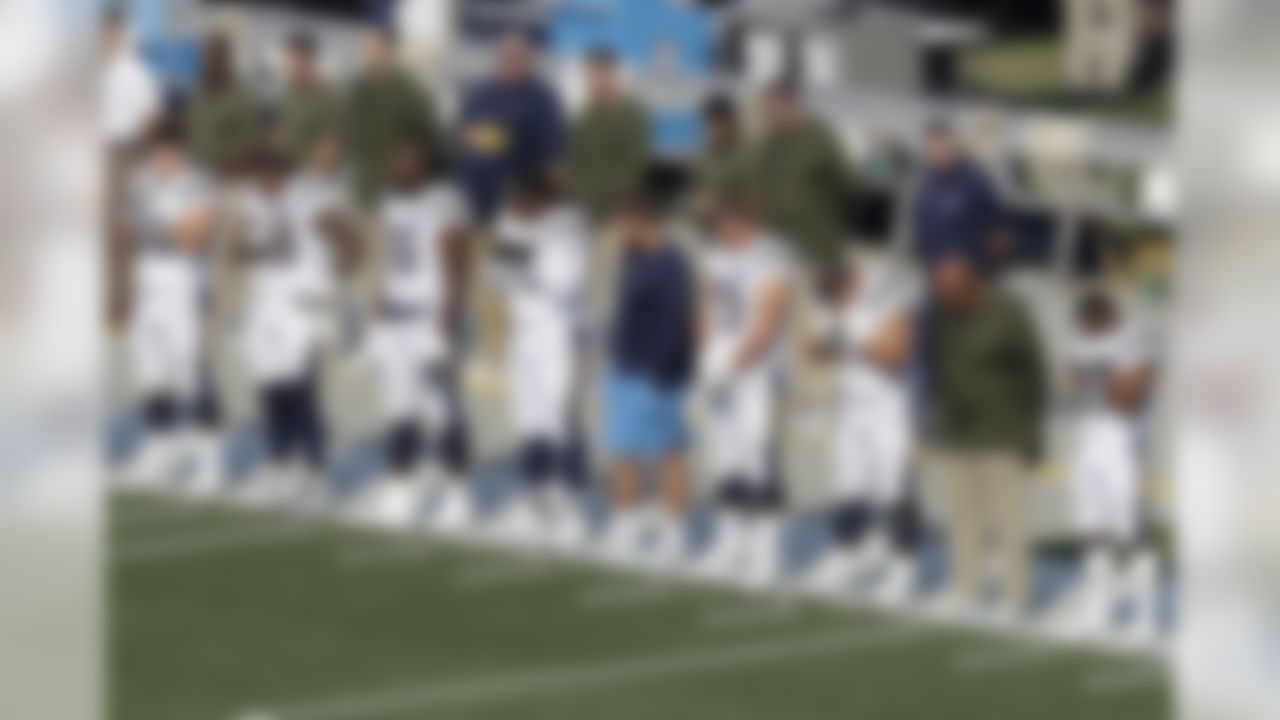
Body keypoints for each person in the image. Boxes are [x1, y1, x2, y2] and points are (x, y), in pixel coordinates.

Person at [358, 141, 475, 529]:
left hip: (430, 316)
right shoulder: (393, 202)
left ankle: (458, 491)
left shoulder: (446, 201)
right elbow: (391, 260)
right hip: (397, 315)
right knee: (398, 404)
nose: (393, 164)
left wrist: (447, 326)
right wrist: (377, 312)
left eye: (402, 158)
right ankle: (402, 484)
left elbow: (458, 267)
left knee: (441, 407)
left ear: (423, 165)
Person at [929, 255, 1048, 619]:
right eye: (941, 293)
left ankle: (1016, 595)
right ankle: (968, 587)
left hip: (1004, 432)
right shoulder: (945, 314)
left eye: (951, 292)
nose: (945, 300)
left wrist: (1033, 428)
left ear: (971, 281)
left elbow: (1035, 371)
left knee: (1009, 519)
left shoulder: (1009, 314)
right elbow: (941, 364)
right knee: (963, 515)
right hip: (961, 432)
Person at [805, 259, 922, 604]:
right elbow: (814, 353)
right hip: (852, 404)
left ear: (849, 284)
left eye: (836, 298)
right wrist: (829, 338)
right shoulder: (833, 303)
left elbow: (895, 357)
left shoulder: (888, 296)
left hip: (891, 407)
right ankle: (844, 555)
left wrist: (856, 339)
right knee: (848, 483)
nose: (833, 305)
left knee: (895, 489)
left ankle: (904, 568)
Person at [697, 195, 796, 587]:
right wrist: (706, 352)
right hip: (722, 364)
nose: (721, 235)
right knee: (726, 457)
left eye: (726, 228)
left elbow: (770, 317)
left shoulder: (771, 257)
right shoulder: (717, 254)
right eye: (718, 229)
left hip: (759, 372)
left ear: (746, 224)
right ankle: (730, 540)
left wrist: (735, 363)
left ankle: (769, 549)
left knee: (759, 458)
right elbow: (705, 303)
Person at [489, 171, 591, 548]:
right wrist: (520, 271)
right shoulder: (511, 222)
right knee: (529, 419)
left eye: (517, 198)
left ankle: (574, 506)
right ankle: (535, 496)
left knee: (560, 418)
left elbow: (561, 280)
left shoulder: (567, 227)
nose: (510, 207)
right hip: (525, 330)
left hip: (559, 334)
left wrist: (519, 269)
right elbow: (498, 275)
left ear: (535, 198)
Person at [117, 121, 219, 493]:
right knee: (150, 373)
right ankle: (158, 448)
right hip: (149, 285)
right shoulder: (141, 181)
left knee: (193, 375)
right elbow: (124, 231)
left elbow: (195, 238)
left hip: (184, 288)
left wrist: (158, 228)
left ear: (179, 151)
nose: (157, 160)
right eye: (153, 153)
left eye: (164, 153)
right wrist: (167, 228)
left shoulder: (198, 182)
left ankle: (210, 459)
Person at [1055, 290, 1161, 639]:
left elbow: (1133, 397)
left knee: (1132, 528)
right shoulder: (1082, 339)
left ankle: (1146, 615)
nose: (1083, 333)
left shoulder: (1133, 339)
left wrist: (1102, 383)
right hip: (1089, 434)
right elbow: (1072, 384)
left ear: (1104, 317)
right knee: (1091, 523)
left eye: (1088, 326)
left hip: (1122, 441)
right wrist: (1080, 383)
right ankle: (1100, 609)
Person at [234, 147, 336, 506]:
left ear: (283, 174)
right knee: (270, 390)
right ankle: (279, 463)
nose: (261, 180)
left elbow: (343, 237)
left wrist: (325, 300)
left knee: (302, 391)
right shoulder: (256, 203)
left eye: (267, 173)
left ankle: (317, 473)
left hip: (300, 306)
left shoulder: (308, 199)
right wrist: (246, 250)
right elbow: (253, 249)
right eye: (258, 175)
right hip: (266, 306)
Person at [601, 193, 697, 568]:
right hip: (625, 366)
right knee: (622, 448)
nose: (618, 234)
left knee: (667, 450)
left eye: (623, 226)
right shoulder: (633, 258)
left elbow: (677, 321)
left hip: (657, 372)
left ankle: (675, 531)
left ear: (641, 222)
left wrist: (663, 370)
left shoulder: (671, 264)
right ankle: (626, 523)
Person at [455, 31, 567, 223]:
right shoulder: (481, 93)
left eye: (518, 58)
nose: (511, 63)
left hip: (521, 180)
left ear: (528, 61)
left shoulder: (542, 98)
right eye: (506, 57)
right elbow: (461, 131)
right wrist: (473, 137)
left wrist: (502, 137)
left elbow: (551, 147)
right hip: (477, 182)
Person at [747, 81, 857, 268]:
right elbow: (759, 188)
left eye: (770, 109)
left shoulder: (819, 138)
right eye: (764, 110)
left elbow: (846, 187)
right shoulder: (767, 144)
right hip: (776, 247)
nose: (766, 116)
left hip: (814, 248)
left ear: (788, 104)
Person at [345, 25, 442, 209]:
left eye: (372, 49)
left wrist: (412, 156)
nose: (366, 55)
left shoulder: (408, 91)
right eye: (364, 49)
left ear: (388, 51)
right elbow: (348, 131)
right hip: (361, 185)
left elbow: (431, 139)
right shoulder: (359, 88)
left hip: (396, 193)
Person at [564, 48, 650, 225]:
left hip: (616, 210)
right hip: (583, 207)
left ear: (612, 76)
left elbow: (632, 168)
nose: (594, 81)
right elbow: (575, 157)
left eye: (599, 75)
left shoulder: (631, 114)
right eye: (591, 76)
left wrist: (593, 192)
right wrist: (575, 189)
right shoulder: (588, 113)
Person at [913, 121, 1008, 276]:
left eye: (943, 146)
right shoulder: (927, 183)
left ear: (954, 145)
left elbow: (999, 234)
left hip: (969, 270)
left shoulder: (977, 182)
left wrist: (978, 269)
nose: (938, 153)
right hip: (934, 269)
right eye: (932, 148)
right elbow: (923, 229)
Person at [185, 34, 260, 175]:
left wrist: (230, 172)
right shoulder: (198, 93)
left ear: (225, 61)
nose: (208, 63)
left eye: (214, 58)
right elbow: (189, 129)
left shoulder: (242, 98)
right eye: (205, 58)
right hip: (195, 170)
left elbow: (250, 146)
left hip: (225, 174)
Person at [274, 32, 343, 167]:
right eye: (286, 61)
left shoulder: (328, 98)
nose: (288, 67)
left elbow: (331, 149)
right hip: (282, 171)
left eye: (293, 61)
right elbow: (281, 134)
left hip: (310, 178)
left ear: (309, 60)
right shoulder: (289, 93)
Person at [689, 95, 750, 227]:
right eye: (708, 123)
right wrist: (696, 200)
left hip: (738, 229)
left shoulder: (747, 154)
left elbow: (753, 199)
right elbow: (697, 187)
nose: (712, 128)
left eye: (717, 123)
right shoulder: (704, 154)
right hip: (705, 226)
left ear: (730, 123)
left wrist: (717, 204)